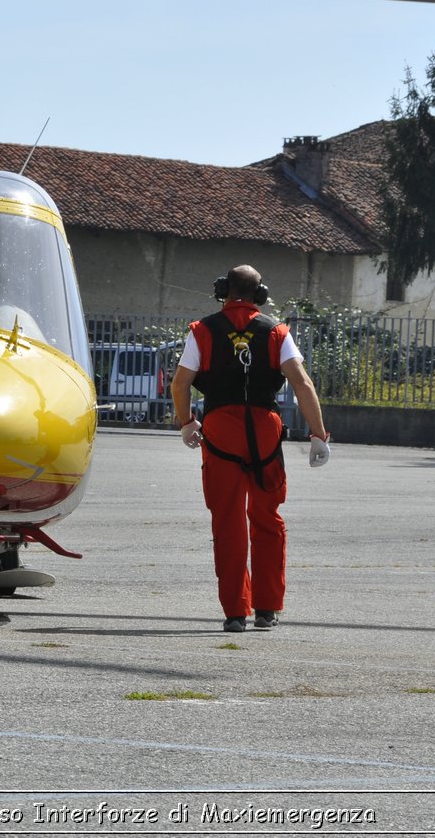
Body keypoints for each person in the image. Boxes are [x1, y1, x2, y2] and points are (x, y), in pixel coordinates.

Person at [170, 265, 331, 633]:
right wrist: (319, 434)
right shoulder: (276, 331)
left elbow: (181, 384)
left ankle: (234, 612)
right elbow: (302, 383)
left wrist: (186, 423)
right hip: (264, 431)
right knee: (267, 518)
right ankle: (267, 608)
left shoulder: (202, 330)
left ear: (223, 290)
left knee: (227, 521)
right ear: (261, 294)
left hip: (221, 429)